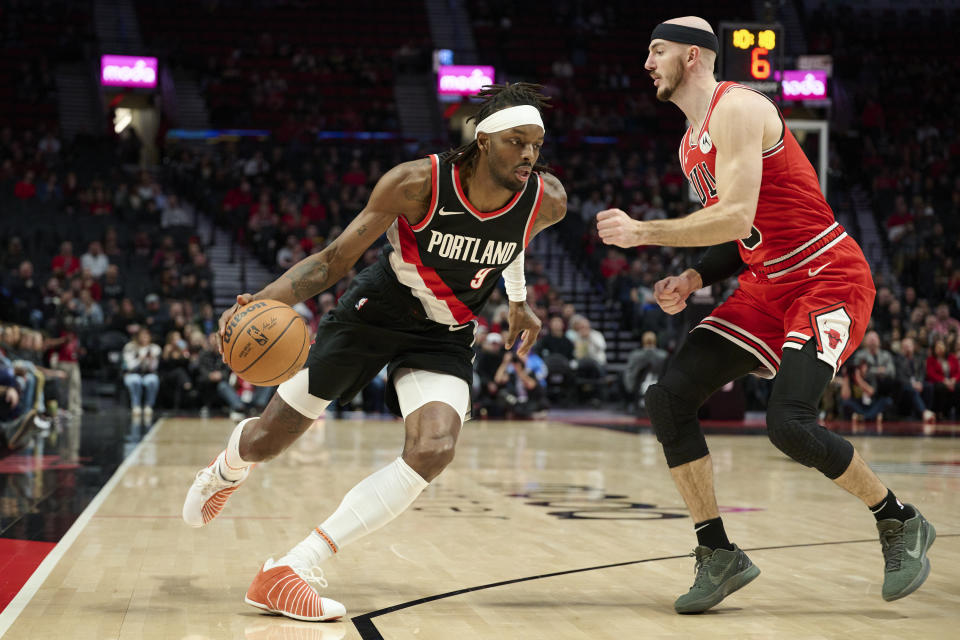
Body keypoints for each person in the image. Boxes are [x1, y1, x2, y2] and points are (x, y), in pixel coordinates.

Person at [181, 83, 567, 621]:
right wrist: (260, 301)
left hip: (446, 333)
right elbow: (333, 259)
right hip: (375, 311)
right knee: (269, 439)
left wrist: (519, 300)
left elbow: (517, 235)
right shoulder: (417, 184)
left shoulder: (546, 198)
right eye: (516, 141)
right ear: (483, 142)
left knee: (434, 448)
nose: (529, 154)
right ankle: (227, 467)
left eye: (537, 144)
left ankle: (291, 569)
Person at [596, 17, 934, 613]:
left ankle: (898, 519)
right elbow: (740, 234)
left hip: (826, 276)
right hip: (765, 287)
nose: (647, 62)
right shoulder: (688, 144)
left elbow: (733, 214)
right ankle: (718, 551)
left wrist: (644, 232)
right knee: (669, 397)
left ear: (694, 56)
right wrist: (696, 275)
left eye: (657, 50)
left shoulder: (740, 108)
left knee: (790, 424)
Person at [122, 328, 161, 423]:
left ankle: (149, 405)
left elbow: (154, 367)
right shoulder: (130, 347)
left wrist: (151, 359)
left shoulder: (154, 348)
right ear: (138, 337)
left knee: (152, 380)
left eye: (146, 336)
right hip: (132, 373)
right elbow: (130, 366)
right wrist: (140, 359)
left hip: (148, 373)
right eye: (142, 336)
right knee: (135, 380)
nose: (144, 338)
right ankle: (136, 405)